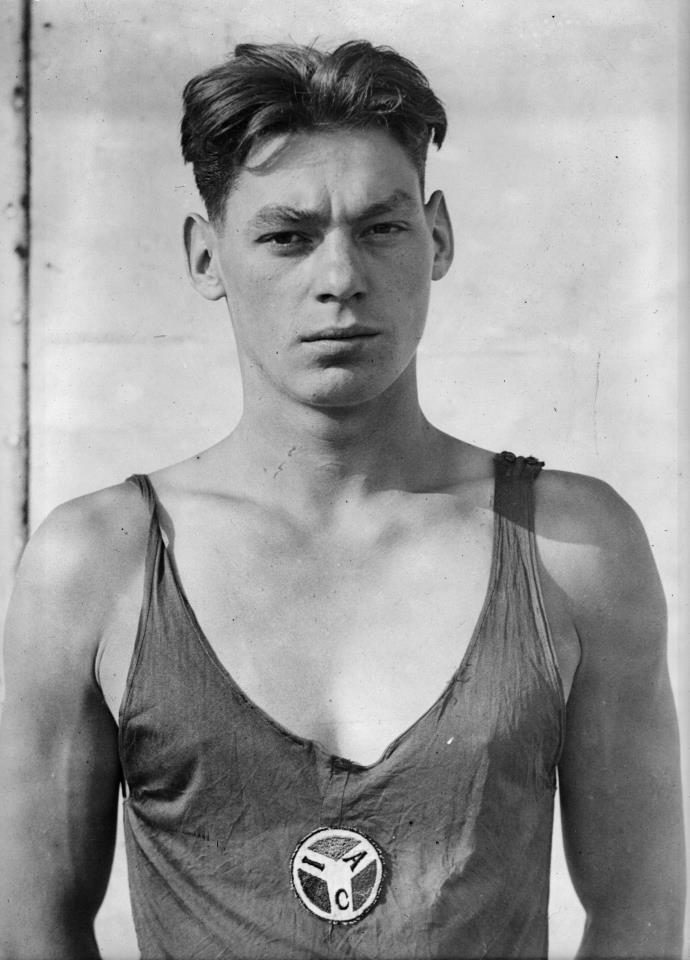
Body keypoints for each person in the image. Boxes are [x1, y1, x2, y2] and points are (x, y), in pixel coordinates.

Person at [0, 39, 684, 960]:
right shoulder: (98, 563)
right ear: (207, 258)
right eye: (286, 236)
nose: (339, 279)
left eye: (381, 227)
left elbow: (641, 921)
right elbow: (31, 929)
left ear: (437, 237)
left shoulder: (571, 546)